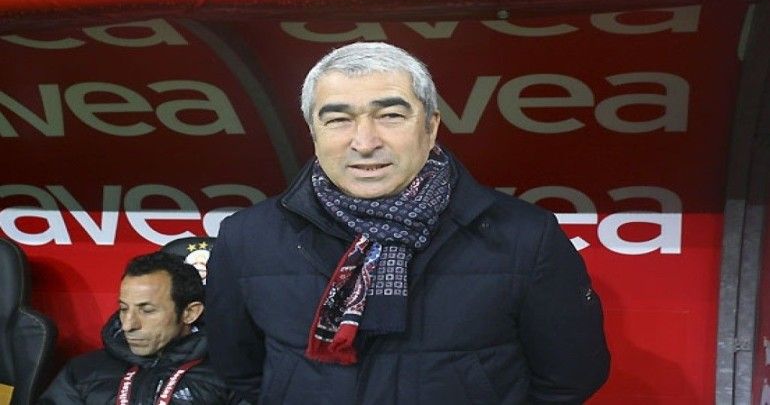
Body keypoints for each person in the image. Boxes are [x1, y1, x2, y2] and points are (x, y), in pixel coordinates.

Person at [206, 41, 610, 404]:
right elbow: (239, 372)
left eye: (390, 115)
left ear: (431, 126)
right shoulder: (246, 238)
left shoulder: (525, 236)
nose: (365, 142)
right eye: (338, 119)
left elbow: (569, 377)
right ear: (313, 132)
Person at [39, 251, 237, 404]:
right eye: (124, 309)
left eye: (147, 310)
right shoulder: (82, 371)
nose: (128, 325)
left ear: (190, 313)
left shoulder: (233, 375)